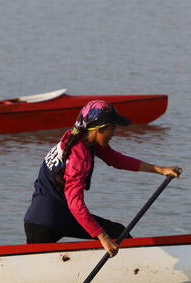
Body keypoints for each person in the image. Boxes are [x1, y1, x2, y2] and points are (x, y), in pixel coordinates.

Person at [23, 100, 181, 258]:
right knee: (112, 235)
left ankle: (137, 267)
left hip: (59, 216)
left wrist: (160, 170)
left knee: (118, 233)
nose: (113, 134)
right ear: (98, 129)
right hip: (45, 223)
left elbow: (116, 160)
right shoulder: (79, 157)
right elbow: (76, 204)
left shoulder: (80, 137)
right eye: (112, 129)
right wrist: (103, 238)